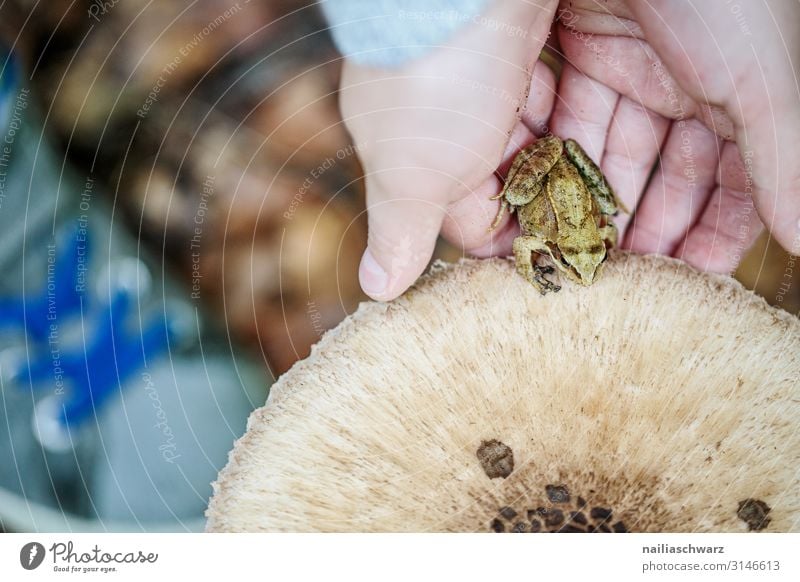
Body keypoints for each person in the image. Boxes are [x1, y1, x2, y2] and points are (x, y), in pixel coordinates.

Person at [322, 0, 800, 301]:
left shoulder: (595, 240)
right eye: (575, 262)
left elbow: (593, 240)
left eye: (586, 259)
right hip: (552, 180)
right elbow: (530, 245)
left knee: (584, 193)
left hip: (572, 175)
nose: (585, 269)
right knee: (521, 194)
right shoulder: (552, 241)